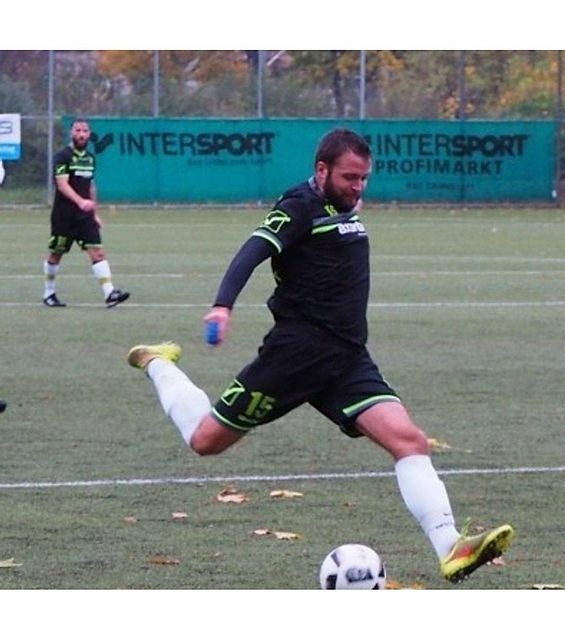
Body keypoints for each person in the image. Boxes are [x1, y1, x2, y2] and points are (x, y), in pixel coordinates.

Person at [126, 128, 514, 584]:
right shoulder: (298, 206)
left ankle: (450, 548)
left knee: (409, 440)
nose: (359, 186)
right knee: (205, 440)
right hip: (297, 355)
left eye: (365, 178)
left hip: (347, 358)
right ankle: (158, 362)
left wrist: (351, 199)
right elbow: (251, 252)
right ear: (321, 170)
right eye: (350, 177)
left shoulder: (345, 204)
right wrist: (222, 305)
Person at [43, 118, 129, 308]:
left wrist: (95, 213)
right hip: (64, 215)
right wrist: (80, 201)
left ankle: (110, 294)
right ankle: (49, 293)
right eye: (77, 131)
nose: (81, 134)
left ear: (89, 134)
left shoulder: (90, 158)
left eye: (84, 131)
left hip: (84, 216)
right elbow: (62, 184)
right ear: (71, 133)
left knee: (97, 252)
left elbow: (90, 185)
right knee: (56, 254)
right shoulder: (62, 156)